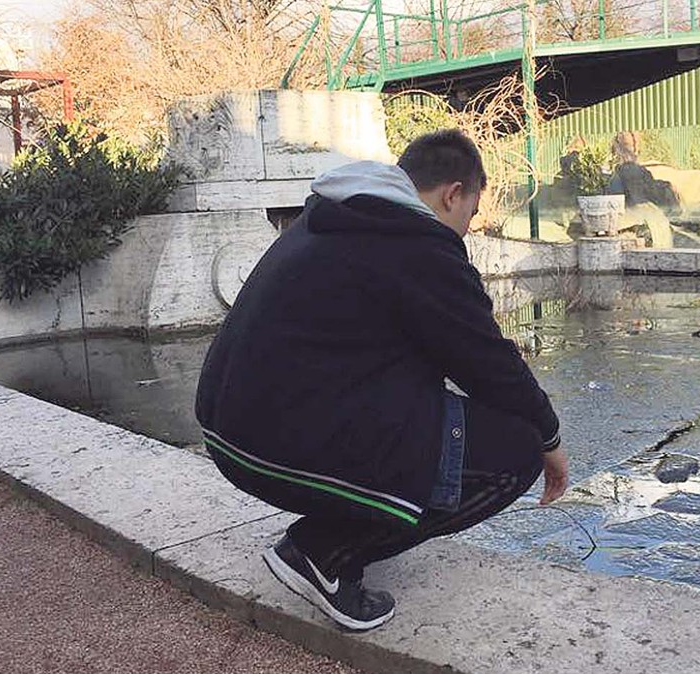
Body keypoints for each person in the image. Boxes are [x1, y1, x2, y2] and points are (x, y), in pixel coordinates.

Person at [195, 129, 568, 631]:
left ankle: (338, 531)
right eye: (470, 214)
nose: (465, 230)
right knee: (514, 452)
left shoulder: (334, 215)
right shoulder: (417, 244)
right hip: (275, 450)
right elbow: (489, 365)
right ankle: (322, 552)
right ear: (453, 194)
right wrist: (549, 438)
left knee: (433, 412)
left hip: (228, 435)